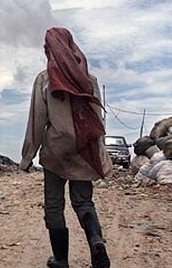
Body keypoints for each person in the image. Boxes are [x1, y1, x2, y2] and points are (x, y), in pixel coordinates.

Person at [20, 27, 113, 268]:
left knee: (54, 205)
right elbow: (97, 122)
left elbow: (37, 120)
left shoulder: (44, 79)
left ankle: (61, 260)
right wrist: (100, 156)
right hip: (84, 150)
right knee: (83, 202)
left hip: (56, 152)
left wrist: (27, 156)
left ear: (49, 48)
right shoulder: (89, 80)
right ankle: (96, 242)